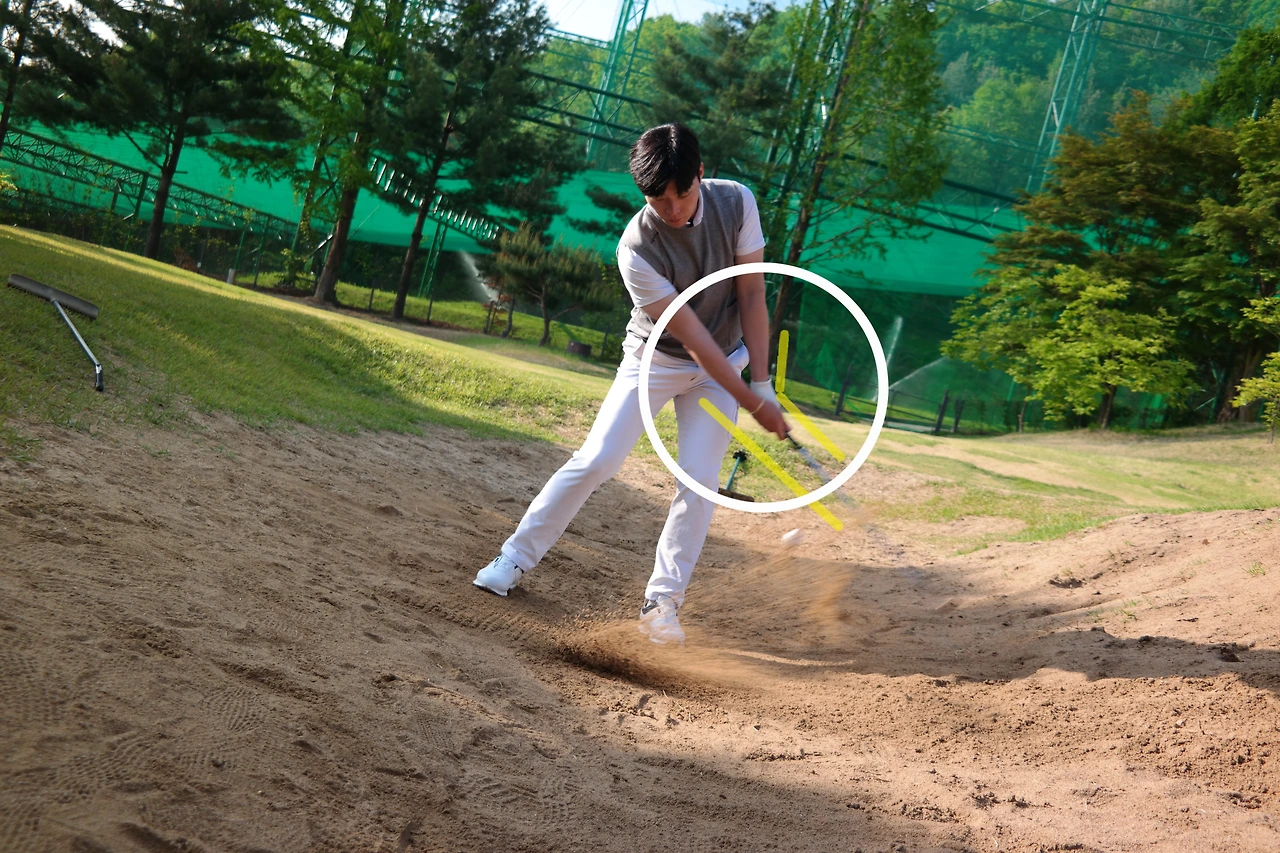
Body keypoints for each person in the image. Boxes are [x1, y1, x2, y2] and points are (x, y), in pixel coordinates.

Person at [473, 123, 789, 644]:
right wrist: (751, 401)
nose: (672, 209)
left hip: (723, 365)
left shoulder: (737, 202)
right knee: (597, 460)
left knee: (699, 482)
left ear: (701, 174)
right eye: (657, 199)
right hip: (655, 360)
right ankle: (514, 557)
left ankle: (662, 603)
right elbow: (691, 337)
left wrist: (761, 381)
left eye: (681, 194)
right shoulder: (636, 247)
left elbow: (753, 294)